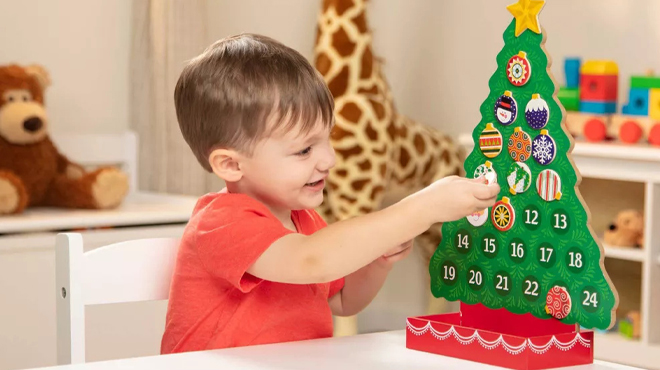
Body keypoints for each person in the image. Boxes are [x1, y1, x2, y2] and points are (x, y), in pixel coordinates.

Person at [161, 33, 500, 354]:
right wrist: (422, 207)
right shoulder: (221, 223)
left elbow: (342, 301)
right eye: (304, 150)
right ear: (231, 165)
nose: (329, 159)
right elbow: (312, 261)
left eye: (327, 139)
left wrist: (377, 261)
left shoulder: (304, 221)